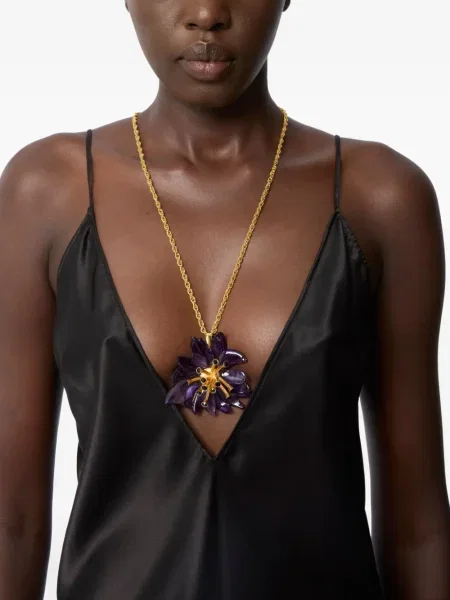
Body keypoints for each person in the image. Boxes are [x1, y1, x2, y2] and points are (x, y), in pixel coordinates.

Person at [0, 1, 449, 598]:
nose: (207, 13)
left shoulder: (382, 199)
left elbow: (418, 528)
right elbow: (13, 520)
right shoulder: (45, 193)